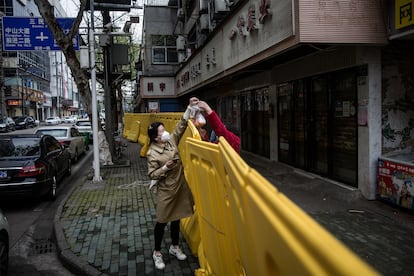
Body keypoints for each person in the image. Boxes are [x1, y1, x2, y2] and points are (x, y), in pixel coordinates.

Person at [146, 98, 197, 270]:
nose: (166, 132)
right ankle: (157, 252)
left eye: (164, 129)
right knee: (161, 221)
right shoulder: (152, 153)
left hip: (180, 186)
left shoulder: (171, 141)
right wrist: (165, 168)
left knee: (177, 217)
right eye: (161, 131)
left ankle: (175, 247)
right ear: (155, 137)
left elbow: (181, 127)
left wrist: (189, 108)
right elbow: (152, 174)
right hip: (166, 190)